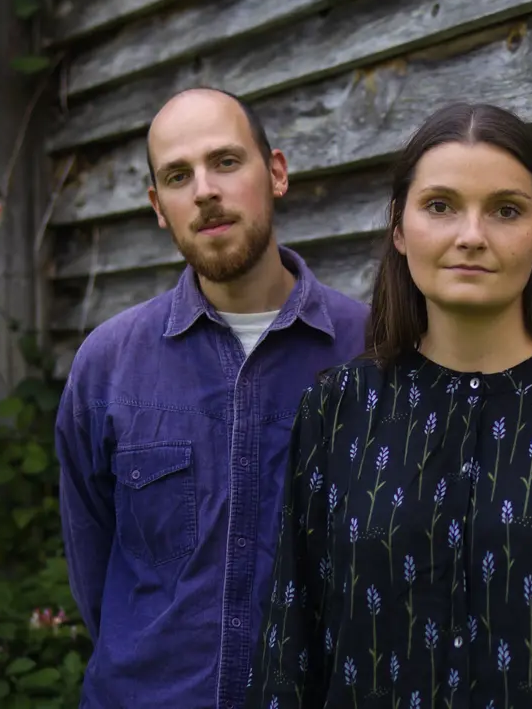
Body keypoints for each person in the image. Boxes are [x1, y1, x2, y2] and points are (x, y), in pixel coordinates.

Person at [245, 102, 532, 708]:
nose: (471, 236)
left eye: (505, 210)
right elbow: (293, 640)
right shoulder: (338, 409)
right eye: (440, 206)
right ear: (399, 226)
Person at [55, 87, 369, 709]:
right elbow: (93, 570)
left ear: (275, 173)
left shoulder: (372, 353)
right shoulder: (108, 366)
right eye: (178, 175)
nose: (204, 190)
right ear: (158, 207)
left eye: (226, 162)